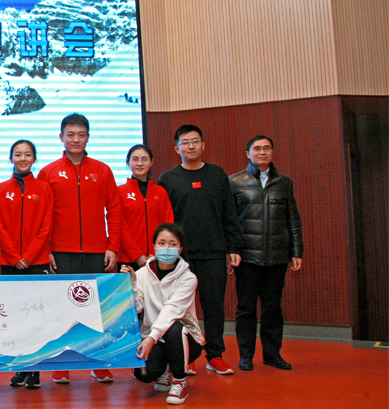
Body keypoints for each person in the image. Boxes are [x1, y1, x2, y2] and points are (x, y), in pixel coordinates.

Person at [36, 113, 123, 385]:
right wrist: (46, 249)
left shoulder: (102, 170)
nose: (76, 139)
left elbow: (114, 210)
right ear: (61, 137)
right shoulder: (48, 172)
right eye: (70, 134)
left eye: (81, 135)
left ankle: (98, 363)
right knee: (62, 310)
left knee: (97, 309)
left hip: (97, 251)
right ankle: (62, 363)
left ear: (88, 137)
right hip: (61, 251)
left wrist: (113, 246)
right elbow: (41, 215)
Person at [157, 125, 243, 376]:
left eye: (195, 141)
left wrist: (233, 246)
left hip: (214, 251)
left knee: (214, 306)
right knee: (180, 308)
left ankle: (215, 355)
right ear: (177, 149)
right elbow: (164, 221)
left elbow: (230, 213)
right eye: (185, 142)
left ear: (203, 145)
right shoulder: (168, 178)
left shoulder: (217, 175)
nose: (191, 146)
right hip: (180, 257)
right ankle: (186, 355)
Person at [229, 135, 304, 371]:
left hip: (277, 256)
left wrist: (297, 251)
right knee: (246, 309)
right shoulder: (235, 181)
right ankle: (246, 356)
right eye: (257, 148)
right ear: (248, 153)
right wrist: (232, 249)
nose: (262, 152)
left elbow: (293, 218)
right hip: (247, 257)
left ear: (272, 152)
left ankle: (272, 355)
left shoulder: (284, 183)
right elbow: (230, 221)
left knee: (273, 309)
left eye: (267, 148)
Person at [0, 140, 54, 390]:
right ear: (11, 159)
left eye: (28, 154)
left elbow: (46, 227)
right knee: (16, 315)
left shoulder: (44, 188)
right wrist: (14, 256)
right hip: (9, 262)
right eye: (18, 154)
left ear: (34, 159)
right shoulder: (1, 189)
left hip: (37, 261)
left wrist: (28, 256)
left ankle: (35, 369)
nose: (22, 159)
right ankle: (20, 366)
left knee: (37, 315)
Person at [123, 224, 204, 406]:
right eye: (162, 243)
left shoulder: (188, 278)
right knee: (143, 374)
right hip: (155, 338)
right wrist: (133, 284)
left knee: (173, 327)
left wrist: (151, 338)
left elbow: (171, 310)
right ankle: (167, 369)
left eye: (172, 244)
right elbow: (137, 308)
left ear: (180, 249)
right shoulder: (143, 274)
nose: (166, 248)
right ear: (154, 246)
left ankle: (179, 381)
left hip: (185, 338)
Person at [118, 144, 174, 268]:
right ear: (128, 162)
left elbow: (168, 223)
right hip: (128, 259)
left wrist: (155, 253)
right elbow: (119, 226)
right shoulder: (119, 192)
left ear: (151, 162)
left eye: (144, 159)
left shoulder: (161, 192)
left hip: (158, 258)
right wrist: (137, 255)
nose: (140, 163)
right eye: (135, 159)